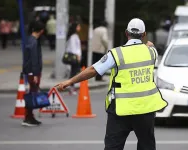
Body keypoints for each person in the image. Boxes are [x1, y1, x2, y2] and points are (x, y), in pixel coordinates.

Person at [55, 18, 168, 150]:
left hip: (120, 110)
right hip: (146, 109)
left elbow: (93, 70)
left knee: (113, 147)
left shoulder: (116, 54)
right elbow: (151, 46)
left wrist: (70, 81)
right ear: (144, 34)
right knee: (147, 146)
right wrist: (149, 44)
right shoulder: (151, 52)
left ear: (126, 33)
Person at [22, 21, 45, 126]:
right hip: (33, 72)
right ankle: (28, 118)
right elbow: (34, 59)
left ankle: (29, 116)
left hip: (29, 71)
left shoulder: (29, 40)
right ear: (41, 31)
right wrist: (35, 74)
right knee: (32, 94)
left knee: (32, 93)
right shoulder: (34, 42)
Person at [65, 22, 82, 95]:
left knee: (74, 72)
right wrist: (77, 56)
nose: (79, 28)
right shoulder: (73, 36)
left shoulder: (74, 36)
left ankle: (72, 87)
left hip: (75, 56)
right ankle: (71, 88)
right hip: (74, 56)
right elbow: (73, 48)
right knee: (73, 73)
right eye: (78, 26)